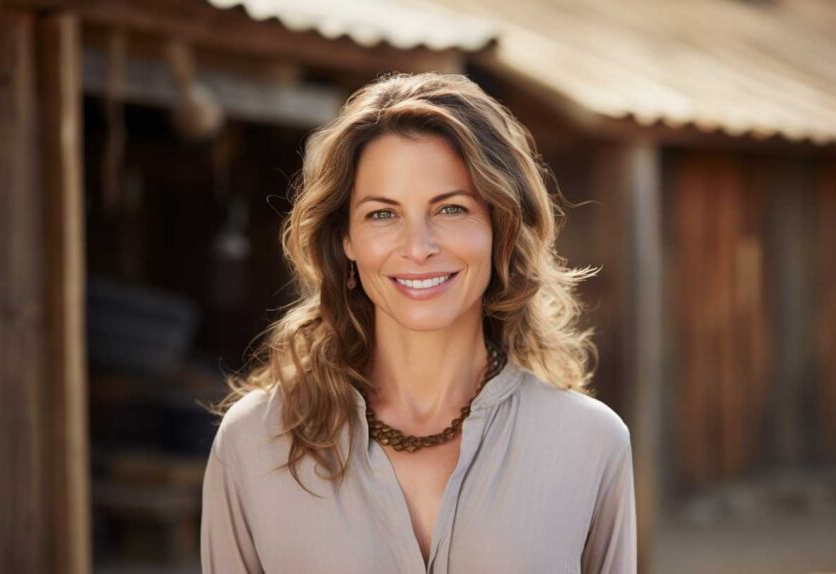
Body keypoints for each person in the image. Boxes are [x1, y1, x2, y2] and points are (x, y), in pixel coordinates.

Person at [200, 72, 636, 573]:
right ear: (346, 239)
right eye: (382, 215)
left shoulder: (589, 443)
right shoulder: (255, 442)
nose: (418, 247)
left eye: (451, 208)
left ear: (501, 226)